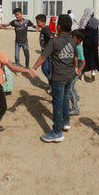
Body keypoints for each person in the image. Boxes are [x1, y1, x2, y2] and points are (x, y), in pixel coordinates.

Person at [31, 15, 78, 143]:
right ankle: (66, 121)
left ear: (58, 26)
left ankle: (57, 132)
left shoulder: (54, 41)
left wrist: (34, 68)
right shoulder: (73, 41)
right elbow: (75, 56)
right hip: (69, 76)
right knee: (65, 98)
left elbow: (43, 57)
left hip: (58, 77)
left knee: (57, 103)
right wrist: (76, 69)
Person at [78, 7, 99, 81]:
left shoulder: (83, 21)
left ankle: (82, 74)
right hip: (94, 41)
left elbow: (80, 32)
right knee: (93, 56)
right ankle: (93, 72)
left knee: (85, 56)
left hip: (86, 41)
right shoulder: (97, 21)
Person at [69, 29, 86, 115]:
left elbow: (83, 62)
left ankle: (75, 108)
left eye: (73, 37)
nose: (71, 39)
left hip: (75, 72)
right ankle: (76, 97)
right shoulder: (75, 46)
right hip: (72, 71)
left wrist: (78, 71)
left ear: (79, 39)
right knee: (72, 86)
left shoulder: (79, 49)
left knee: (69, 89)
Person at [35, 14, 53, 88]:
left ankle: (51, 83)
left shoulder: (46, 29)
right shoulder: (43, 29)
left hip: (47, 53)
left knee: (44, 68)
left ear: (43, 22)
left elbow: (51, 37)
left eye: (38, 22)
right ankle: (51, 83)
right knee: (48, 69)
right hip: (45, 52)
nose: (37, 24)